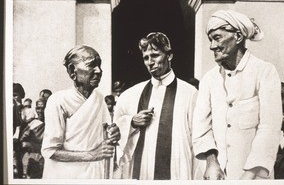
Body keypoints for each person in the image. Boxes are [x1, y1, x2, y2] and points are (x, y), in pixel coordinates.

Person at [192, 10, 282, 180]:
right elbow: (201, 127)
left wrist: (248, 176)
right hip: (215, 174)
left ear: (238, 37)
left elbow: (269, 128)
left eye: (217, 38)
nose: (212, 46)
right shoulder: (209, 80)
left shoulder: (265, 72)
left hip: (254, 177)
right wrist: (212, 162)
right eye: (210, 40)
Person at [114, 32, 199, 180]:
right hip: (142, 170)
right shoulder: (130, 95)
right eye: (146, 58)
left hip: (177, 168)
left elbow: (198, 136)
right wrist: (132, 122)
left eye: (155, 55)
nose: (150, 62)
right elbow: (114, 132)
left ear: (169, 55)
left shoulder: (190, 93)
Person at [41, 45, 120, 179]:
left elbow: (106, 136)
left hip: (95, 174)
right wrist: (92, 155)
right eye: (91, 65)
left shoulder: (99, 99)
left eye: (99, 65)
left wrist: (114, 134)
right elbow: (50, 151)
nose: (99, 71)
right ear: (73, 71)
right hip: (66, 176)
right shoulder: (58, 100)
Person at [19, 98, 46, 178]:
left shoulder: (51, 124)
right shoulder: (31, 123)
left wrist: (30, 145)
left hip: (42, 161)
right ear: (35, 109)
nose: (40, 111)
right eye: (38, 108)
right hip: (28, 160)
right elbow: (22, 143)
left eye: (43, 108)